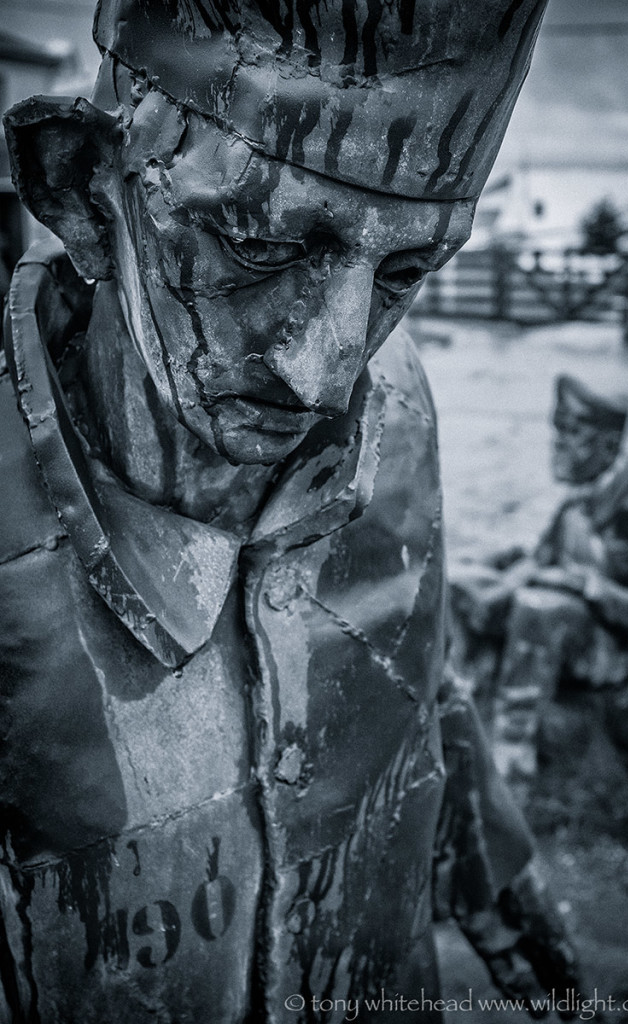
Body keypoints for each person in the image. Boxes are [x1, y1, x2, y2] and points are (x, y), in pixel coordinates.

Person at [0, 2, 577, 1021]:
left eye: (402, 272)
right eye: (258, 245)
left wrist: (529, 937)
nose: (329, 373)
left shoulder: (394, 402)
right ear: (84, 187)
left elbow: (411, 682)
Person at [451, 374, 628, 783]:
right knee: (463, 583)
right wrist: (492, 563)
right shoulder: (575, 501)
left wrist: (595, 589)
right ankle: (457, 713)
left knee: (537, 607)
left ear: (609, 446)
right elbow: (541, 559)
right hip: (559, 635)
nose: (557, 444)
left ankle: (511, 756)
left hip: (613, 650)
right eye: (557, 430)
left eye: (573, 433)